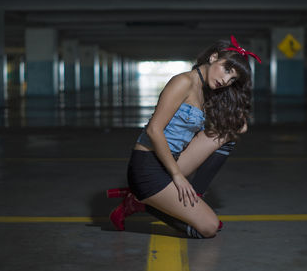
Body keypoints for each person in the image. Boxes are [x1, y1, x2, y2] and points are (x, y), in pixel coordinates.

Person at [107, 35, 261, 238]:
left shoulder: (206, 91)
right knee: (208, 228)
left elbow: (240, 127)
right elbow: (154, 130)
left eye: (232, 79)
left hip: (172, 159)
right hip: (148, 167)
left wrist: (233, 97)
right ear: (214, 57)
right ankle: (143, 203)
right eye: (227, 69)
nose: (226, 80)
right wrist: (178, 177)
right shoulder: (183, 81)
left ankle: (191, 198)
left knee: (227, 134)